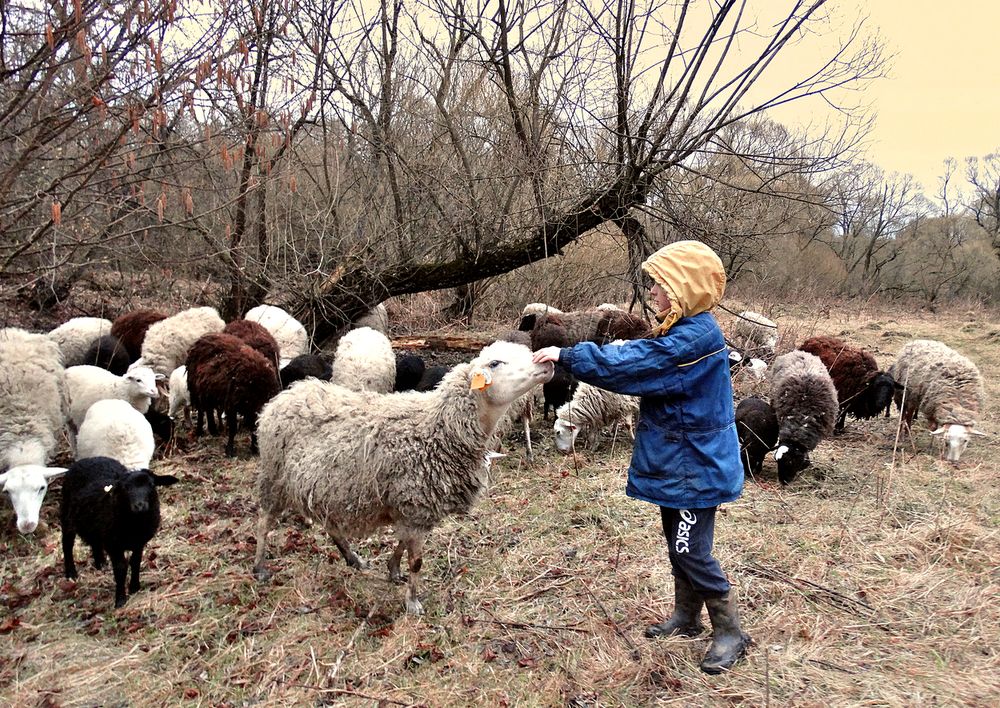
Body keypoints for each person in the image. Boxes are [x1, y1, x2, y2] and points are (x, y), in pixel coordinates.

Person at [532, 240, 751, 674]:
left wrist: (569, 354)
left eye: (659, 284)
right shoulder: (684, 329)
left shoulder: (692, 339)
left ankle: (730, 632)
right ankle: (686, 618)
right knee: (678, 544)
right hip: (682, 458)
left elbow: (635, 364)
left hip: (695, 464)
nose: (651, 291)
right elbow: (636, 356)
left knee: (690, 549)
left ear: (683, 288)